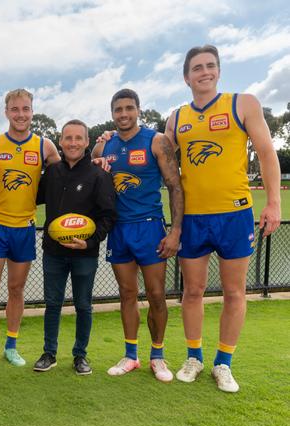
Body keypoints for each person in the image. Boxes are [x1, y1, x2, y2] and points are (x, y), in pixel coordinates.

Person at [164, 45, 281, 392]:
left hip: (234, 214)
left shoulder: (242, 103)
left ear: (218, 70)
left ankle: (224, 363)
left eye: (210, 66)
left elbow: (266, 152)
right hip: (194, 218)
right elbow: (161, 159)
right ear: (186, 77)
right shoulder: (176, 118)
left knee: (234, 292)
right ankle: (194, 357)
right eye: (197, 68)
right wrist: (108, 144)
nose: (204, 72)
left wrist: (273, 202)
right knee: (193, 292)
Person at [91, 88, 183, 382]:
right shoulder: (104, 147)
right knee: (127, 294)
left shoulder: (157, 141)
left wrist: (175, 231)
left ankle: (158, 355)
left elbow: (174, 186)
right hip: (119, 230)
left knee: (156, 294)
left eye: (129, 108)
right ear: (112, 113)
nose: (124, 114)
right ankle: (131, 355)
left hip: (149, 226)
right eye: (118, 110)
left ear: (139, 110)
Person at [0, 88, 59, 371]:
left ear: (32, 112)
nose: (20, 115)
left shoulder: (45, 146)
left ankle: (11, 345)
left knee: (16, 289)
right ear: (7, 112)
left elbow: (67, 177)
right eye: (15, 109)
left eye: (25, 109)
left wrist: (98, 151)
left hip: (24, 229)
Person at [33, 120, 116, 375]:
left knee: (83, 305)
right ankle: (49, 353)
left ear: (87, 141)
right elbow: (32, 198)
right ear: (60, 141)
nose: (73, 143)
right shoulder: (53, 172)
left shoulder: (98, 175)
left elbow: (108, 216)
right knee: (53, 304)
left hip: (84, 254)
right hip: (54, 252)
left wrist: (90, 242)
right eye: (68, 138)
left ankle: (80, 355)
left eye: (78, 138)